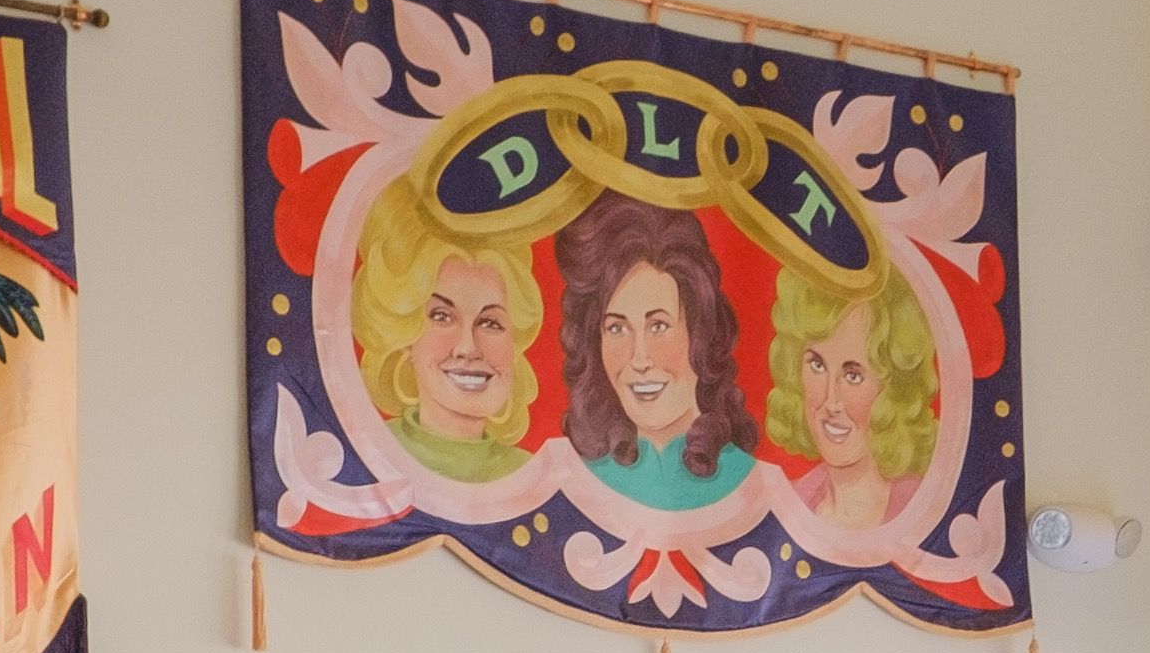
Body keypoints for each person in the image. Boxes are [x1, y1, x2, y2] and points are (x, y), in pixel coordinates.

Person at [554, 196, 757, 515]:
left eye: (658, 325)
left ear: (700, 331)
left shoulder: (759, 488)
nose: (639, 358)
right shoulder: (568, 483)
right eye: (618, 328)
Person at [348, 187, 551, 485]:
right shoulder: (367, 452)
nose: (468, 348)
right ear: (404, 332)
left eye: (491, 323)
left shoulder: (531, 476)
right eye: (442, 317)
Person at [761, 250, 938, 533]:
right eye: (817, 365)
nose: (831, 401)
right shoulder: (787, 507)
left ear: (892, 388)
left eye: (853, 375)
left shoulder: (925, 508)